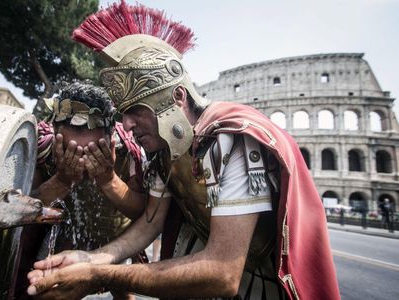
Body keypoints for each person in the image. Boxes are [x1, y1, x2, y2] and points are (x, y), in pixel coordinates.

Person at [27, 1, 340, 299]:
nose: (128, 124)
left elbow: (222, 274)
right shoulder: (165, 153)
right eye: (123, 113)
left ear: (177, 97)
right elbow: (149, 223)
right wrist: (90, 259)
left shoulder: (233, 141)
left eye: (136, 110)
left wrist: (98, 275)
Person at [18, 81, 146, 299]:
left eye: (94, 150)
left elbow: (142, 212)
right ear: (55, 130)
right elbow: (23, 211)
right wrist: (62, 180)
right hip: (62, 240)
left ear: (110, 136)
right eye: (71, 150)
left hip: (116, 242)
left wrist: (108, 179)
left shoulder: (129, 153)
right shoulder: (44, 150)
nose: (83, 160)